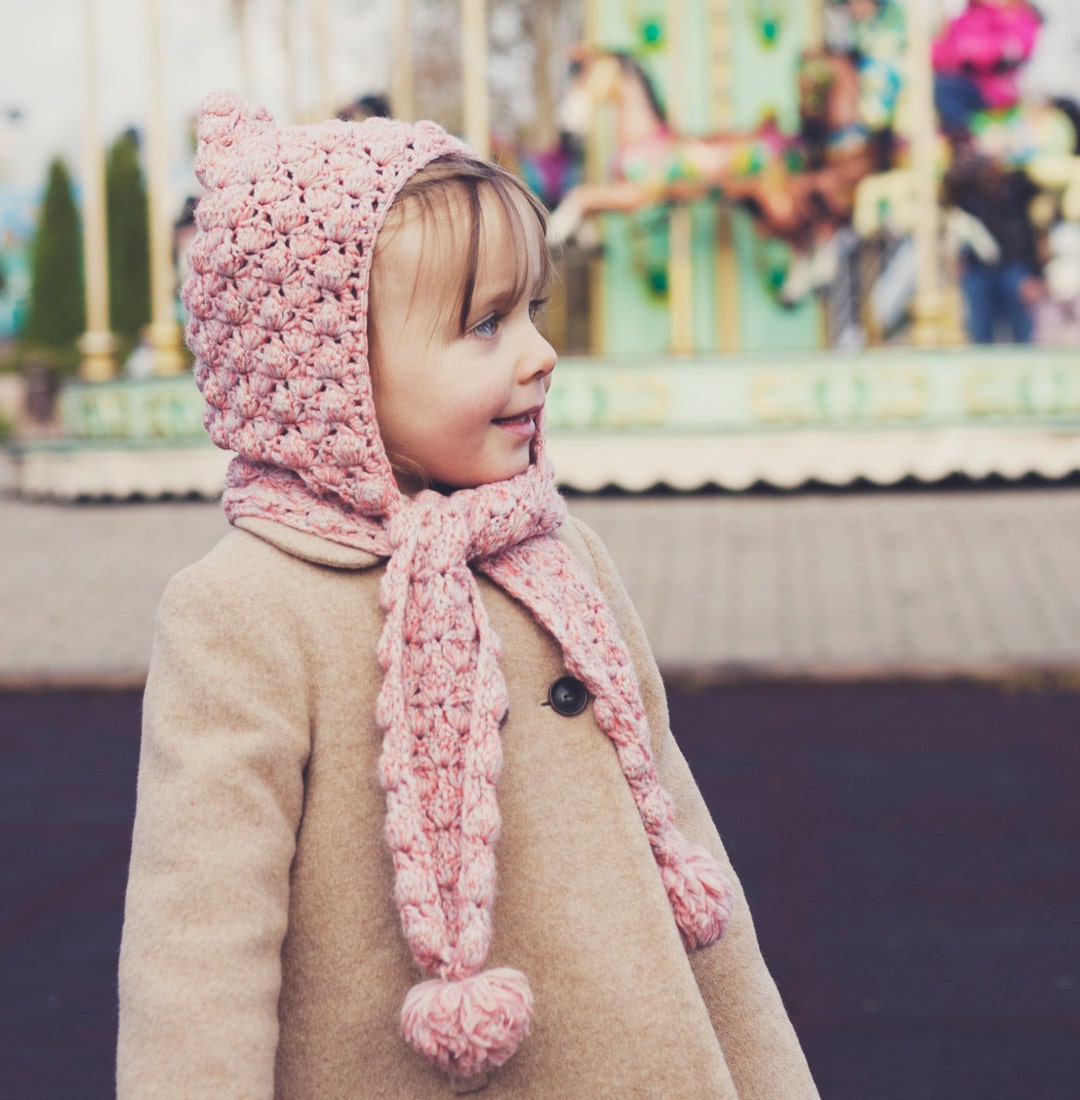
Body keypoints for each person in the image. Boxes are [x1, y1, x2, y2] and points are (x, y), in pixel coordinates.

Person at [116, 91, 820, 1099]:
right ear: (330, 370)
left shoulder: (556, 553)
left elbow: (689, 861)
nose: (540, 352)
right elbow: (199, 951)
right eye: (483, 324)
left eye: (530, 309)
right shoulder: (249, 611)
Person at [931, 0, 1042, 138]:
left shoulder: (1014, 16)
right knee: (939, 86)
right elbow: (947, 50)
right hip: (968, 82)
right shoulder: (965, 19)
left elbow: (1013, 47)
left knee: (946, 89)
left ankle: (962, 139)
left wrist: (973, 51)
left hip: (995, 90)